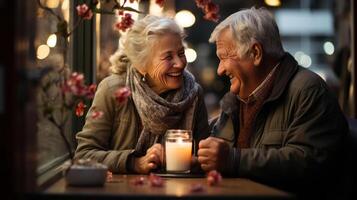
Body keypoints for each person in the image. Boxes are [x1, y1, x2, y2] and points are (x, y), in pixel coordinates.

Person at [197, 7, 348, 197]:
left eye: (224, 57)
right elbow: (215, 153)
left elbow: (310, 163)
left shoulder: (308, 89)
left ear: (256, 53)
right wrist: (184, 158)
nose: (220, 70)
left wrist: (233, 159)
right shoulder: (237, 99)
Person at [74, 15, 209, 174]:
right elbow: (84, 155)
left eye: (181, 53)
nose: (180, 64)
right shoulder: (113, 90)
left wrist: (195, 161)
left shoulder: (194, 93)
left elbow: (204, 158)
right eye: (168, 57)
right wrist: (134, 163)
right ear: (141, 64)